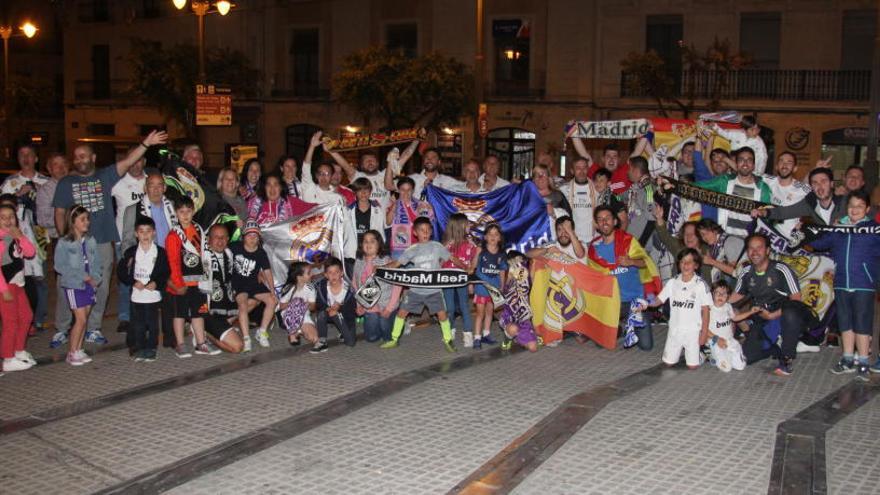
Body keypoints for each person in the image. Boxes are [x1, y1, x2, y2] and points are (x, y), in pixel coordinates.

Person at [53, 130, 168, 346]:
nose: (80, 160)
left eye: (84, 155)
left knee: (101, 286)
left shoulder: (104, 176)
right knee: (67, 284)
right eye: (76, 157)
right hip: (74, 243)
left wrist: (146, 143)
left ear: (93, 158)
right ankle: (61, 328)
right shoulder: (66, 183)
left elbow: (129, 161)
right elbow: (59, 212)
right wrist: (64, 240)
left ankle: (93, 328)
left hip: (103, 240)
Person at [805, 190, 880, 379]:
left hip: (864, 283)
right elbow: (820, 243)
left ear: (868, 209)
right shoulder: (839, 228)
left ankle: (863, 361)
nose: (854, 209)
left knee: (862, 323)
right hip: (841, 282)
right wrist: (806, 232)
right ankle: (847, 358)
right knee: (845, 322)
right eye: (851, 205)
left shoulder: (873, 229)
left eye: (860, 206)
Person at [729, 234, 815, 376]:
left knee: (791, 313)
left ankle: (787, 357)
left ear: (768, 250)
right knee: (748, 357)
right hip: (763, 316)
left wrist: (773, 315)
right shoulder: (746, 272)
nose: (754, 252)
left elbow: (796, 300)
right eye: (751, 248)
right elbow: (735, 296)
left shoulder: (781, 269)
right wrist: (715, 304)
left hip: (783, 314)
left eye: (759, 248)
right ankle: (774, 346)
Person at [588, 206, 661, 351]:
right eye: (600, 220)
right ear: (596, 224)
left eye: (607, 218)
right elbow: (592, 279)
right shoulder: (593, 248)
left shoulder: (628, 241)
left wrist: (631, 262)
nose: (604, 222)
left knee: (646, 346)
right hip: (610, 302)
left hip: (634, 301)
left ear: (615, 221)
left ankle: (629, 322)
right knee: (600, 343)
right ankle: (619, 329)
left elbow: (645, 262)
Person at [380, 216, 456, 352]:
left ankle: (448, 339)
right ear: (415, 233)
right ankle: (394, 339)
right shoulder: (412, 249)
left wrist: (465, 268)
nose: (425, 232)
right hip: (415, 290)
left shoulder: (437, 246)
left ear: (431, 231)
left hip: (434, 290)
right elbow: (396, 264)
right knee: (401, 313)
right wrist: (380, 269)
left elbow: (451, 258)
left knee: (442, 315)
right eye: (422, 230)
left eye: (428, 230)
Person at [165, 196, 219, 358]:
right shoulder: (174, 235)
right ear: (176, 213)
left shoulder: (198, 230)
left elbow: (204, 254)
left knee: (199, 313)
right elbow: (173, 261)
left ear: (193, 211)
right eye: (181, 212)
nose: (185, 215)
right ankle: (180, 344)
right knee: (179, 314)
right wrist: (178, 283)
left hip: (199, 281)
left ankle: (201, 343)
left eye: (188, 211)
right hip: (181, 283)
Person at [645, 248, 711, 369]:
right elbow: (658, 300)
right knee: (668, 363)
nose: (685, 265)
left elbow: (706, 311)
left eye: (689, 262)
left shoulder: (700, 285)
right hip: (675, 329)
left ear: (696, 265)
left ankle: (701, 354)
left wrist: (704, 333)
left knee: (692, 367)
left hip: (692, 331)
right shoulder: (672, 282)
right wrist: (646, 301)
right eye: (682, 262)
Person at [116, 217, 169, 361]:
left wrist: (156, 283)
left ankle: (151, 348)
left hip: (152, 297)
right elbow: (121, 271)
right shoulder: (131, 252)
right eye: (141, 231)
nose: (145, 235)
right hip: (137, 296)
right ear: (136, 234)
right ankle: (138, 347)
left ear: (154, 233)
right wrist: (133, 281)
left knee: (152, 324)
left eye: (148, 231)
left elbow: (165, 272)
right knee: (137, 324)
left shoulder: (160, 252)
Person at [54, 206, 101, 366]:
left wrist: (96, 278)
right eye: (82, 219)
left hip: (88, 284)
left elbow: (97, 263)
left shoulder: (90, 240)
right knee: (80, 319)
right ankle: (72, 352)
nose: (86, 222)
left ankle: (79, 349)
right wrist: (83, 276)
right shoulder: (64, 242)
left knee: (85, 317)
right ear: (72, 221)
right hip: (74, 284)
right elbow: (60, 266)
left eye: (87, 218)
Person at [690, 146, 771, 238]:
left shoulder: (763, 188)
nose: (745, 163)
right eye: (741, 159)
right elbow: (701, 187)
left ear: (753, 165)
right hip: (724, 237)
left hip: (750, 241)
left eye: (749, 160)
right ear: (736, 164)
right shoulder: (725, 181)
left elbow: (768, 217)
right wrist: (676, 184)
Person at [111, 148, 148, 334]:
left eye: (139, 160)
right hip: (124, 240)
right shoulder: (117, 183)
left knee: (149, 279)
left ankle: (146, 315)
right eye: (131, 161)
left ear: (144, 162)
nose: (135, 165)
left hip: (149, 241)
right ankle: (125, 317)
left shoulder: (152, 181)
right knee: (126, 281)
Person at [330, 139, 418, 209]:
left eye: (372, 160)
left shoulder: (386, 174)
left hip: (384, 224)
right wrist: (330, 149)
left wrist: (417, 139)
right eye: (366, 161)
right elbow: (343, 163)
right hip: (363, 222)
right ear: (361, 165)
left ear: (377, 163)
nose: (370, 162)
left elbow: (406, 155)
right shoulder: (357, 176)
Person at [0, 203, 37, 372]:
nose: (8, 220)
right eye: (3, 217)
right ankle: (8, 359)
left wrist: (20, 236)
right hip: (6, 286)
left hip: (18, 283)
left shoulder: (14, 235)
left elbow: (30, 253)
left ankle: (19, 350)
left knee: (26, 316)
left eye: (11, 216)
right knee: (10, 322)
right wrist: (4, 290)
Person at [231, 222, 277, 351]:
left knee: (272, 300)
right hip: (239, 284)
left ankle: (262, 332)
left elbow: (267, 271)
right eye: (249, 235)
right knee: (243, 305)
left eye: (255, 236)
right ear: (244, 236)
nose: (252, 239)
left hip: (253, 283)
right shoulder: (235, 247)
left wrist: (272, 291)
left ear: (259, 238)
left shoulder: (261, 253)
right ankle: (246, 338)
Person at [201, 224, 246, 354]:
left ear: (227, 239)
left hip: (226, 307)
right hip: (208, 311)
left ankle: (223, 326)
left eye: (223, 237)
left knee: (252, 300)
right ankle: (206, 334)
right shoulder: (203, 256)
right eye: (216, 237)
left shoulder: (229, 253)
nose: (220, 241)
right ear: (209, 239)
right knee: (238, 347)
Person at [353, 230, 401, 343]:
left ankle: (398, 324)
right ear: (361, 245)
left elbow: (397, 286)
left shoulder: (387, 261)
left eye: (372, 241)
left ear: (379, 244)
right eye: (365, 241)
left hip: (386, 303)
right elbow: (355, 284)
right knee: (371, 338)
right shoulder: (359, 262)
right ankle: (381, 323)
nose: (368, 244)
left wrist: (389, 308)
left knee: (388, 337)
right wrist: (359, 304)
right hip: (369, 305)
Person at [755, 167, 847, 227]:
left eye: (823, 181)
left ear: (832, 184)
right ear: (811, 187)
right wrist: (764, 212)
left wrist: (844, 222)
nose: (820, 187)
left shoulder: (845, 202)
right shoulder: (810, 203)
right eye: (815, 183)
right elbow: (785, 212)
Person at [441, 213, 478, 347]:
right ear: (459, 226)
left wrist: (471, 282)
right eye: (467, 223)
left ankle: (468, 334)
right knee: (449, 308)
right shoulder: (446, 245)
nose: (469, 226)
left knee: (464, 306)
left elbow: (473, 264)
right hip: (447, 280)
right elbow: (439, 263)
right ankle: (450, 330)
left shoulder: (470, 244)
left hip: (462, 279)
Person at [760, 152, 811, 240]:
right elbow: (745, 172)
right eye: (781, 161)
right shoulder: (766, 180)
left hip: (791, 240)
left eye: (789, 162)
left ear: (795, 168)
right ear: (776, 166)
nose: (784, 165)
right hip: (768, 238)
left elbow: (820, 200)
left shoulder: (803, 189)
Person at [652, 204, 711, 281]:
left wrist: (701, 259)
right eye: (686, 234)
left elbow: (709, 280)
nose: (689, 237)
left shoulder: (707, 250)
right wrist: (659, 218)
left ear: (699, 236)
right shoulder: (679, 248)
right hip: (677, 289)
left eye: (692, 234)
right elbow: (665, 236)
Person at [311, 257, 357, 353]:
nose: (333, 275)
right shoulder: (321, 286)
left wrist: (339, 308)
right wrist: (328, 308)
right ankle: (322, 340)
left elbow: (352, 309)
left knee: (350, 342)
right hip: (327, 313)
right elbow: (319, 303)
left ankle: (342, 331)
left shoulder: (349, 289)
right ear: (326, 275)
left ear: (341, 273)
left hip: (344, 316)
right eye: (330, 273)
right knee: (321, 314)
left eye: (336, 272)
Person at [473, 223, 507, 349]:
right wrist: (476, 253)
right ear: (485, 237)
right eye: (490, 234)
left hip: (494, 289)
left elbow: (502, 271)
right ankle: (476, 337)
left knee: (489, 313)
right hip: (482, 288)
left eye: (495, 234)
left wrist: (502, 286)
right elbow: (473, 267)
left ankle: (486, 334)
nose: (493, 236)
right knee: (480, 314)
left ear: (499, 238)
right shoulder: (481, 251)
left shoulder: (502, 254)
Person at [386, 145, 462, 200]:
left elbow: (469, 189)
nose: (429, 160)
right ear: (423, 161)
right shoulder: (413, 179)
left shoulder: (447, 181)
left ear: (439, 162)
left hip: (439, 221)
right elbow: (389, 186)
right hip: (416, 220)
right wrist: (390, 161)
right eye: (427, 157)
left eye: (433, 157)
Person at [498, 251, 538, 352]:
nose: (519, 262)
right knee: (513, 329)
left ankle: (518, 337)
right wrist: (509, 277)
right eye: (516, 260)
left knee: (533, 348)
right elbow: (501, 291)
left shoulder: (525, 273)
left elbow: (532, 280)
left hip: (522, 315)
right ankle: (507, 339)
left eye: (521, 259)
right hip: (509, 315)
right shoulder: (507, 273)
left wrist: (532, 264)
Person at [387, 176, 433, 259]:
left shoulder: (420, 204)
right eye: (403, 189)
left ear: (413, 191)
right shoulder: (393, 204)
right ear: (398, 190)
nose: (406, 192)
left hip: (418, 247)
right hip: (399, 248)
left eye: (409, 190)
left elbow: (427, 224)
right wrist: (394, 206)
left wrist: (426, 211)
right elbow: (388, 222)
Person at [706, 280, 747, 372]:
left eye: (724, 294)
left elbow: (735, 318)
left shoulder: (728, 306)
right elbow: (703, 328)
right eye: (718, 293)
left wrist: (751, 312)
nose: (720, 296)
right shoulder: (709, 309)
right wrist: (717, 339)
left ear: (728, 296)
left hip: (729, 339)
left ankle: (726, 354)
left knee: (740, 366)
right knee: (727, 368)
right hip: (714, 340)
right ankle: (709, 353)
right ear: (712, 294)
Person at [344, 177, 386, 264]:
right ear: (355, 192)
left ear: (370, 191)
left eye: (366, 189)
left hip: (372, 254)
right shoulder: (347, 210)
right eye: (360, 190)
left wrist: (380, 252)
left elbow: (381, 233)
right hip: (352, 254)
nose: (363, 193)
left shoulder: (377, 209)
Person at [300, 132, 349, 206]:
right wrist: (312, 146)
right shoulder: (309, 188)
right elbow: (306, 166)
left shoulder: (337, 198)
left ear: (331, 176)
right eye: (320, 173)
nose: (323, 176)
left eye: (327, 174)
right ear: (316, 175)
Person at [246, 173, 313, 226]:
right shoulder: (253, 203)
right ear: (264, 188)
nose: (272, 188)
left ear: (281, 188)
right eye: (269, 185)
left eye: (276, 184)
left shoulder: (291, 202)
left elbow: (315, 208)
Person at [278, 262, 319, 346]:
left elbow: (312, 307)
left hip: (304, 315)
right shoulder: (289, 287)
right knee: (296, 302)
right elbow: (281, 306)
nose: (312, 274)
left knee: (314, 338)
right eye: (308, 273)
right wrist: (294, 303)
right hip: (289, 314)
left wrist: (305, 304)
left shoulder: (310, 288)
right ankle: (294, 330)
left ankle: (299, 330)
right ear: (299, 277)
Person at [695, 219, 744, 284]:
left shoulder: (730, 242)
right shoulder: (716, 248)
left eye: (704, 234)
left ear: (714, 230)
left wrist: (711, 261)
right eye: (701, 236)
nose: (704, 238)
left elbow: (736, 272)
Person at [561, 157, 597, 242]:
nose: (582, 171)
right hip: (573, 238)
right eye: (578, 168)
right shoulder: (564, 190)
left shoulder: (597, 188)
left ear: (588, 169)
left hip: (593, 238)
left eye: (584, 168)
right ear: (572, 171)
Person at [625, 156, 656, 246]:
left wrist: (641, 244)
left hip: (641, 245)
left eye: (629, 169)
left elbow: (652, 220)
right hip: (631, 240)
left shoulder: (648, 190)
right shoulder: (635, 187)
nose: (627, 172)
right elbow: (621, 198)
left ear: (636, 171)